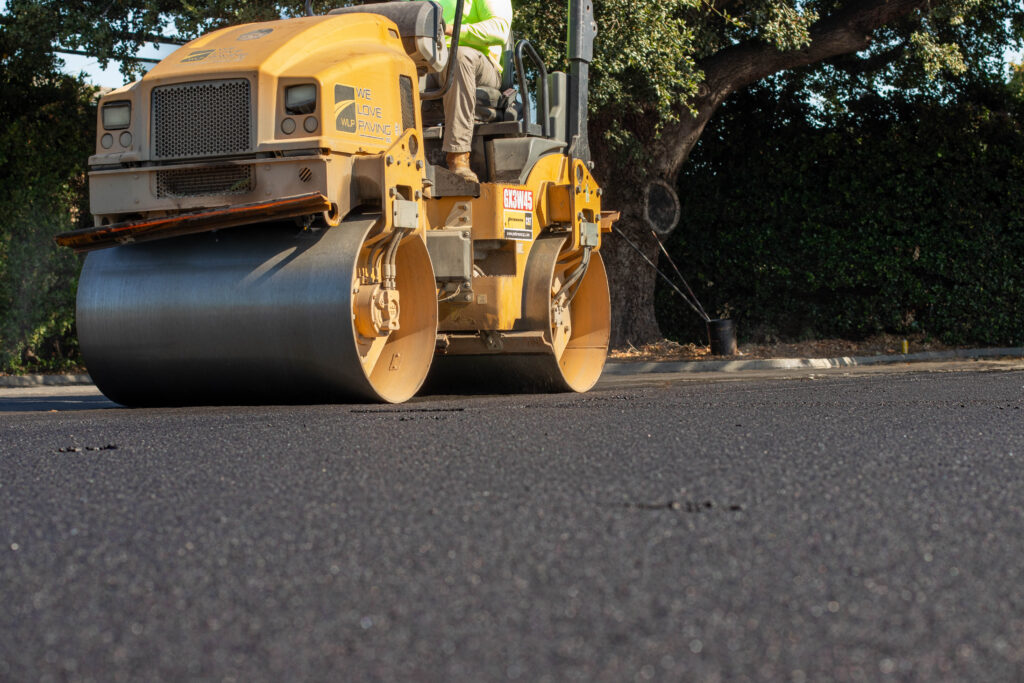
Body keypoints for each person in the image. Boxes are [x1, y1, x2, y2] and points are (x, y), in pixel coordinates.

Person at [431, 0, 512, 182]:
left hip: (478, 63)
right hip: (430, 59)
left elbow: (499, 29)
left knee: (458, 58)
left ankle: (458, 156)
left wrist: (451, 30)